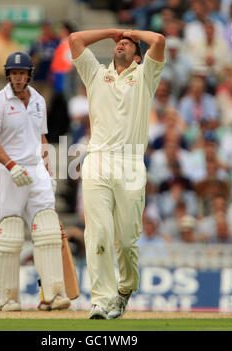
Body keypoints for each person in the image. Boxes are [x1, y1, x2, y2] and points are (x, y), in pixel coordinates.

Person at [69, 28, 165, 319]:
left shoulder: (145, 74)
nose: (121, 44)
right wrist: (114, 32)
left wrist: (133, 33)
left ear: (138, 55)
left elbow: (159, 41)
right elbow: (75, 40)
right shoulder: (96, 74)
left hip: (131, 163)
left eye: (129, 44)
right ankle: (100, 299)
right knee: (98, 234)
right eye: (118, 43)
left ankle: (124, 290)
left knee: (125, 241)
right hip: (97, 159)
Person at [0, 51, 70, 311]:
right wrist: (11, 166)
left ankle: (52, 294)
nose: (18, 78)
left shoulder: (39, 100)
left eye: (22, 73)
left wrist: (47, 168)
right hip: (8, 172)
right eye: (14, 73)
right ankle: (7, 297)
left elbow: (41, 138)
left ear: (29, 75)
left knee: (48, 229)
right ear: (8, 75)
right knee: (9, 233)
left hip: (35, 171)